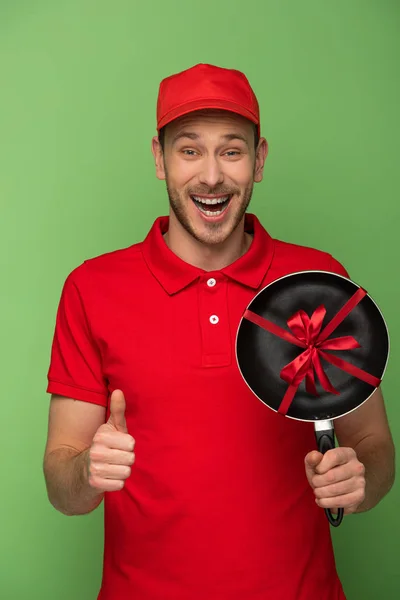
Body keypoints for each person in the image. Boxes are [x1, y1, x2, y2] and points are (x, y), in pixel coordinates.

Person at [43, 63, 395, 600]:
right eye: (189, 150)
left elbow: (375, 446)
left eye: (232, 150)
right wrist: (88, 469)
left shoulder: (317, 282)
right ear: (160, 160)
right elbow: (62, 486)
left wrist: (359, 481)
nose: (211, 176)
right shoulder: (91, 288)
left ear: (259, 161)